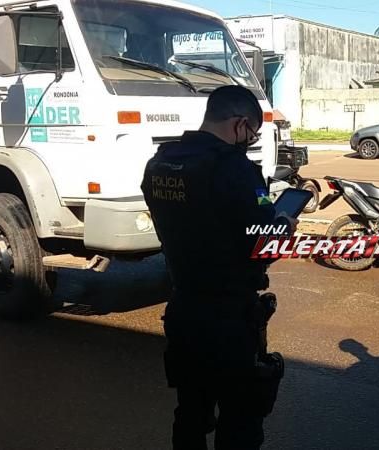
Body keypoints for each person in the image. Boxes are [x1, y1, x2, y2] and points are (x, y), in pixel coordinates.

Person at [141, 85, 295, 450]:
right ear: (240, 124)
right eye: (252, 132)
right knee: (240, 420)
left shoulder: (160, 162)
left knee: (191, 413)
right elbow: (262, 244)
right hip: (229, 318)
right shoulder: (236, 169)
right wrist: (283, 226)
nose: (251, 140)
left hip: (183, 310)